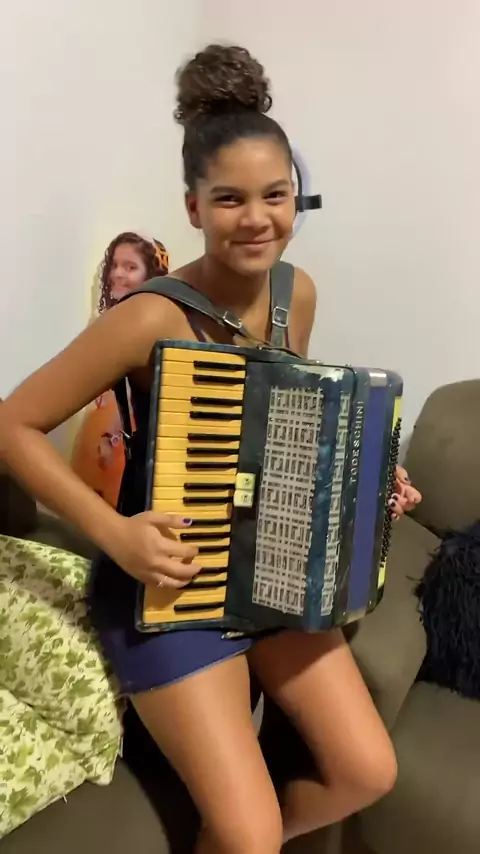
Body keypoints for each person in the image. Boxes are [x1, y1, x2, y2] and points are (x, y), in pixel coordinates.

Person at [0, 44, 420, 854]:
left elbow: (288, 424)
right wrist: (117, 535)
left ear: (296, 198)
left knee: (368, 771)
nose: (256, 218)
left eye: (275, 195)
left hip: (269, 568)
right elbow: (13, 424)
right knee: (249, 832)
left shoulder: (297, 294)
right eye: (230, 199)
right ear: (193, 208)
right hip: (168, 581)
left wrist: (369, 479)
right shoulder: (148, 316)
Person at [70, 233, 169, 507]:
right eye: (114, 265)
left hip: (142, 452)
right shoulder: (115, 322)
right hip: (118, 442)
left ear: (150, 276)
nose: (117, 274)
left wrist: (111, 437)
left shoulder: (150, 326)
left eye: (130, 267)